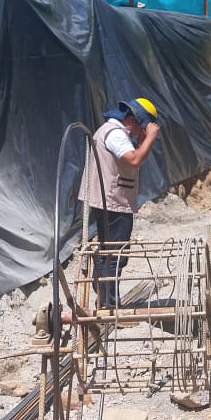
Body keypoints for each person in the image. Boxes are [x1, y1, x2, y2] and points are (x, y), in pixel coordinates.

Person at [79, 97, 160, 307]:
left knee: (108, 251)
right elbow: (134, 159)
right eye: (142, 126)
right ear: (134, 120)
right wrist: (150, 137)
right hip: (113, 200)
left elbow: (135, 153)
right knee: (116, 254)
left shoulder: (111, 131)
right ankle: (110, 306)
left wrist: (142, 140)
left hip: (109, 199)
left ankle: (104, 300)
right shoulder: (116, 135)